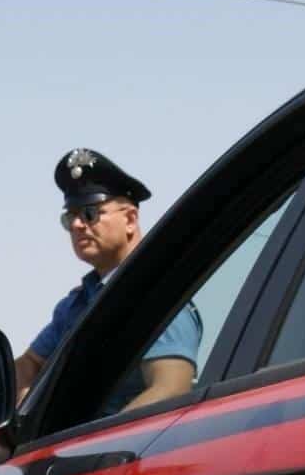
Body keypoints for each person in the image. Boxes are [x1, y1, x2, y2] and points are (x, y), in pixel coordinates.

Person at [14, 148, 201, 413]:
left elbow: (171, 388)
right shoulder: (76, 305)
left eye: (90, 213)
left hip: (124, 440)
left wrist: (104, 437)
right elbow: (29, 364)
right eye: (70, 217)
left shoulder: (158, 294)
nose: (77, 225)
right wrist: (23, 413)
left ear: (130, 219)